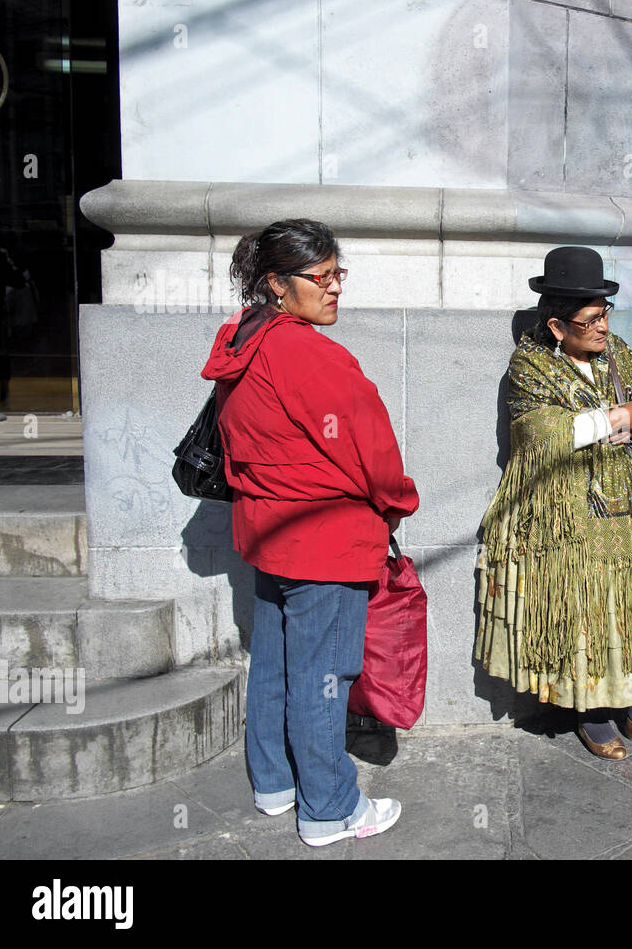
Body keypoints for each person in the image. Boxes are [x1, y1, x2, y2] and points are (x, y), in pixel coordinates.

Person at [201, 219, 419, 846]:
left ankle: (274, 782)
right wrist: (397, 502)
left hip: (270, 533)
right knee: (325, 675)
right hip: (323, 541)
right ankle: (330, 809)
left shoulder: (243, 340)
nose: (333, 288)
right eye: (319, 277)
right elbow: (371, 447)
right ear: (275, 283)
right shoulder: (306, 352)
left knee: (274, 661)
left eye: (336, 273)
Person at [475, 246, 632, 760]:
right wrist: (615, 420)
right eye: (591, 319)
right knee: (588, 608)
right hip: (571, 515)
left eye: (606, 313)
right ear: (556, 325)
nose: (602, 327)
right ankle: (591, 713)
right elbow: (539, 433)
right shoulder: (529, 365)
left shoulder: (619, 354)